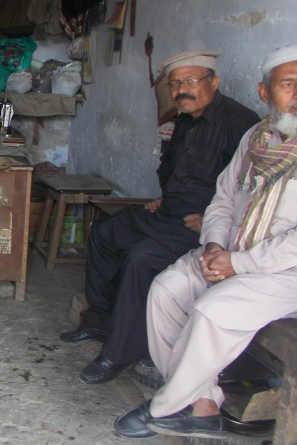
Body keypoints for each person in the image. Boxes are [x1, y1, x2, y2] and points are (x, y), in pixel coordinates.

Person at [115, 45, 297, 439]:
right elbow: (223, 200)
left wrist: (239, 264)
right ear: (265, 93)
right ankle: (201, 403)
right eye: (289, 84)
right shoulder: (256, 137)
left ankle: (166, 408)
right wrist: (215, 245)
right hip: (235, 254)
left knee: (215, 309)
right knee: (167, 288)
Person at [60, 51, 259, 384]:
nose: (182, 89)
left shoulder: (240, 124)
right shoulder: (183, 118)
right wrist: (165, 196)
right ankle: (98, 319)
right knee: (106, 233)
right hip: (168, 211)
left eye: (191, 81)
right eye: (176, 83)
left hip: (202, 223)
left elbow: (253, 189)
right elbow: (174, 170)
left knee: (142, 258)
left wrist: (213, 219)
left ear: (214, 82)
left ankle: (119, 354)